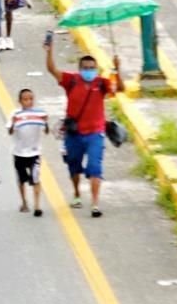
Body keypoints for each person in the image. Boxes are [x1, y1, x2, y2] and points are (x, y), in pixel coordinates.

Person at [45, 37, 122, 216]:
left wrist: (117, 70)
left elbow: (120, 89)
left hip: (96, 133)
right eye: (85, 68)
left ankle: (95, 204)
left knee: (95, 167)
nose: (89, 71)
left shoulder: (101, 83)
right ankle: (77, 192)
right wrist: (49, 52)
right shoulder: (71, 80)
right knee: (74, 165)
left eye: (92, 68)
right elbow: (51, 70)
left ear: (96, 69)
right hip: (74, 134)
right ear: (80, 69)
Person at [8, 88, 49, 216]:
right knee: (21, 179)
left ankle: (37, 205)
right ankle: (24, 201)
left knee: (36, 177)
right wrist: (13, 123)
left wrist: (46, 122)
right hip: (19, 152)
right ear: (20, 101)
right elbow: (9, 132)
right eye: (25, 99)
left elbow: (46, 131)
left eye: (31, 99)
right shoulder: (15, 114)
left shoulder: (38, 114)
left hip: (34, 152)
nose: (28, 102)